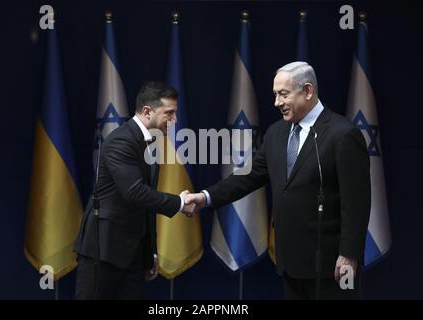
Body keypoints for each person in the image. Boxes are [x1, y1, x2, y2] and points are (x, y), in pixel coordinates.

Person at [187, 61, 371, 299]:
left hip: (332, 265)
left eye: (283, 95)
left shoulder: (343, 134)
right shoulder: (276, 133)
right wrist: (205, 197)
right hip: (290, 263)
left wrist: (349, 254)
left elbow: (356, 202)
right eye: (275, 95)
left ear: (307, 91)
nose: (277, 103)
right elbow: (248, 177)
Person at [74, 81, 196, 299]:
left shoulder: (150, 143)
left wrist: (149, 253)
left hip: (133, 255)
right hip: (103, 251)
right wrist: (179, 203)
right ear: (147, 111)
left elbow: (144, 208)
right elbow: (135, 192)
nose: (174, 120)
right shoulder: (121, 140)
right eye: (169, 113)